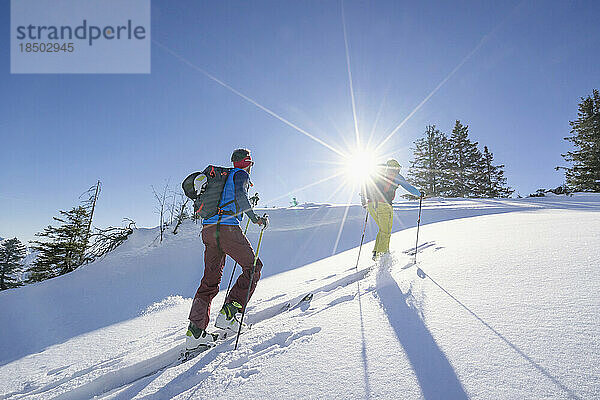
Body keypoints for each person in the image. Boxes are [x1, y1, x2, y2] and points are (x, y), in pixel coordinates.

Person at [186, 148, 268, 349]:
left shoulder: (225, 178)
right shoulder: (240, 174)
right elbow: (241, 196)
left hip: (209, 230)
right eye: (252, 163)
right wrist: (255, 219)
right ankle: (230, 313)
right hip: (226, 229)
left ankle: (195, 334)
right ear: (247, 162)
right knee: (253, 267)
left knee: (209, 281)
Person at [361, 159, 421, 260]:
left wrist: (364, 202)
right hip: (383, 205)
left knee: (382, 229)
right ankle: (383, 256)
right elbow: (408, 187)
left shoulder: (377, 174)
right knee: (386, 231)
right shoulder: (394, 175)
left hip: (371, 206)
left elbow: (364, 187)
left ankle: (376, 253)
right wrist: (419, 194)